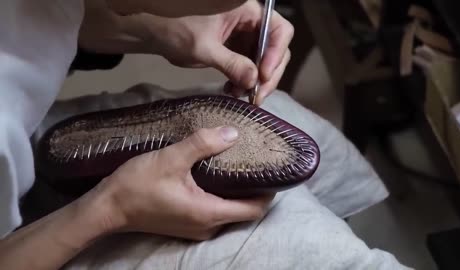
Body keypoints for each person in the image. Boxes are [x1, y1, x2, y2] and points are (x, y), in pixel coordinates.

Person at [0, 0, 411, 269]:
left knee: (302, 129)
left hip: (25, 140)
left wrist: (157, 29)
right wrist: (111, 209)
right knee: (325, 255)